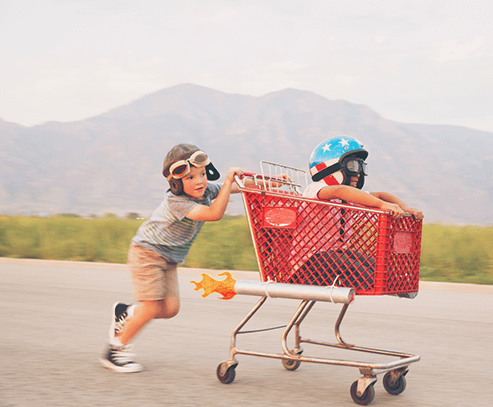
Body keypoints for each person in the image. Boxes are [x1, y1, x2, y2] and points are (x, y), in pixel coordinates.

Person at [99, 143, 251, 373]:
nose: (199, 181)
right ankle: (115, 350)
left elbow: (240, 186)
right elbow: (213, 214)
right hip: (147, 253)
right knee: (150, 307)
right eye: (190, 177)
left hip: (168, 258)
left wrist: (270, 182)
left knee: (170, 309)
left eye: (202, 174)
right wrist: (229, 183)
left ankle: (127, 313)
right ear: (176, 183)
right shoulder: (177, 202)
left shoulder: (206, 191)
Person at [288, 135, 423, 294]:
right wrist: (380, 205)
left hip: (334, 257)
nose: (359, 174)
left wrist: (405, 207)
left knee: (373, 265)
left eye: (361, 168)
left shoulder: (348, 198)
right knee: (356, 269)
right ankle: (391, 283)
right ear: (330, 167)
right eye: (353, 166)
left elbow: (380, 194)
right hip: (307, 265)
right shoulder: (316, 189)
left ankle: (395, 282)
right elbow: (340, 190)